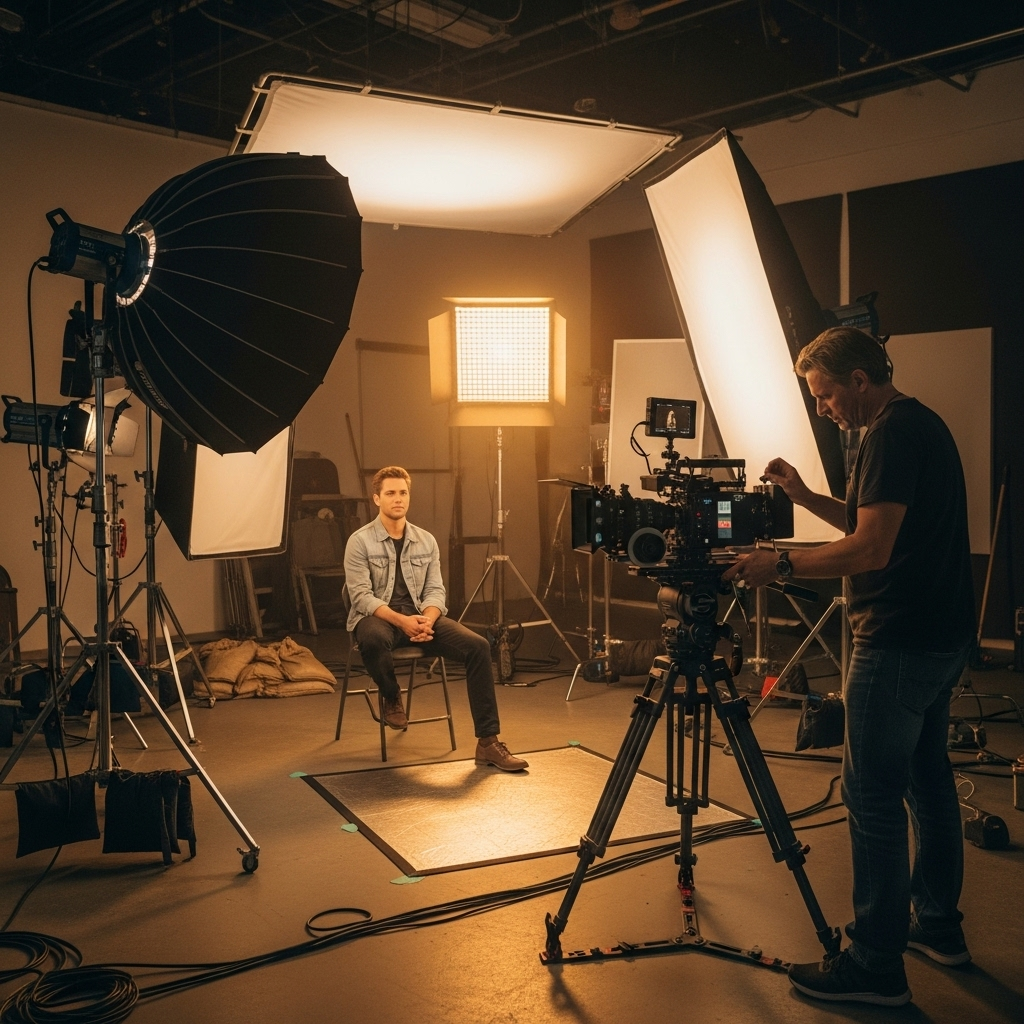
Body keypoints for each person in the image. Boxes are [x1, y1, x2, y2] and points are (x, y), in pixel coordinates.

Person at [723, 326, 975, 1007]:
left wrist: (779, 564)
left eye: (826, 394)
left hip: (897, 641)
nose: (823, 408)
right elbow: (874, 524)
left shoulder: (890, 435)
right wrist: (805, 497)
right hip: (939, 635)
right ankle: (938, 926)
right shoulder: (917, 425)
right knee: (927, 780)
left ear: (860, 380)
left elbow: (870, 550)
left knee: (871, 796)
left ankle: (874, 965)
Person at [344, 466, 528, 772]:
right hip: (379, 617)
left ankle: (488, 743)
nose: (398, 499)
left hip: (420, 618)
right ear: (377, 499)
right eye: (390, 493)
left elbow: (435, 591)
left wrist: (427, 620)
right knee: (373, 639)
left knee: (478, 646)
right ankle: (391, 694)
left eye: (403, 493)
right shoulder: (360, 541)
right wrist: (402, 622)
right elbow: (361, 596)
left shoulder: (425, 540)